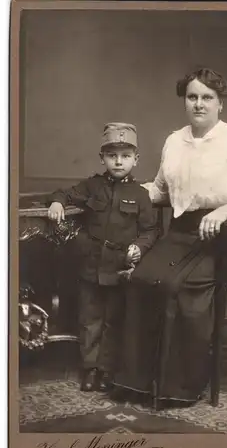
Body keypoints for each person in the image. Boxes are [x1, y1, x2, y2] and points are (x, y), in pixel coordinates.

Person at [113, 68, 227, 406]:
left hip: (226, 236)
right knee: (141, 279)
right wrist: (123, 193)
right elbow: (159, 190)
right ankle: (138, 381)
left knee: (177, 288)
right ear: (185, 100)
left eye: (207, 97)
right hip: (182, 232)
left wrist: (222, 211)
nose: (199, 104)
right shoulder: (175, 141)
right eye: (192, 97)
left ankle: (179, 387)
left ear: (220, 103)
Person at [47, 122, 158, 392]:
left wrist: (139, 248)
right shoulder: (92, 186)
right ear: (102, 158)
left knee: (114, 320)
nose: (118, 161)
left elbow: (150, 230)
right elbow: (63, 193)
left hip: (120, 266)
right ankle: (90, 369)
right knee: (90, 319)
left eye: (125, 156)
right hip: (91, 263)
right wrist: (57, 202)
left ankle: (107, 371)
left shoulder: (141, 195)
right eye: (112, 155)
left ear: (136, 159)